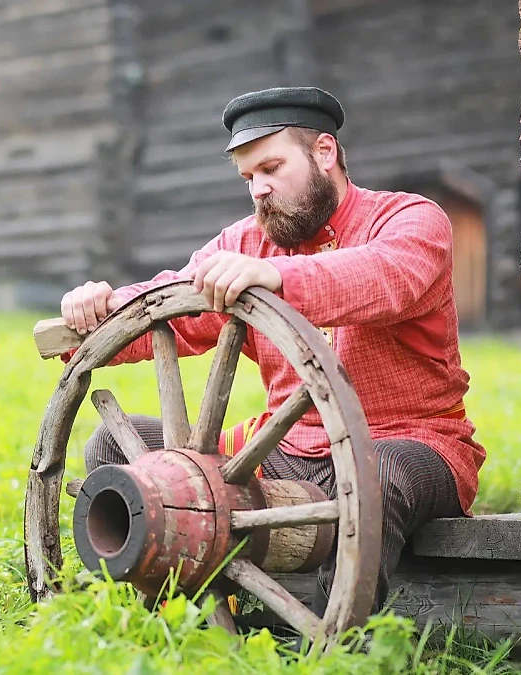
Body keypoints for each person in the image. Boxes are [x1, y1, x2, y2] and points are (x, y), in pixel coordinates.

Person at [59, 86, 485, 618]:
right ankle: (175, 620)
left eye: (271, 168)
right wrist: (100, 307)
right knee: (117, 448)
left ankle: (338, 642)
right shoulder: (246, 242)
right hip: (287, 451)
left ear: (324, 153)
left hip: (408, 441)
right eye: (247, 178)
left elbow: (386, 278)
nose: (258, 189)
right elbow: (179, 302)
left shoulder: (410, 221)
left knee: (378, 472)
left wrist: (277, 277)